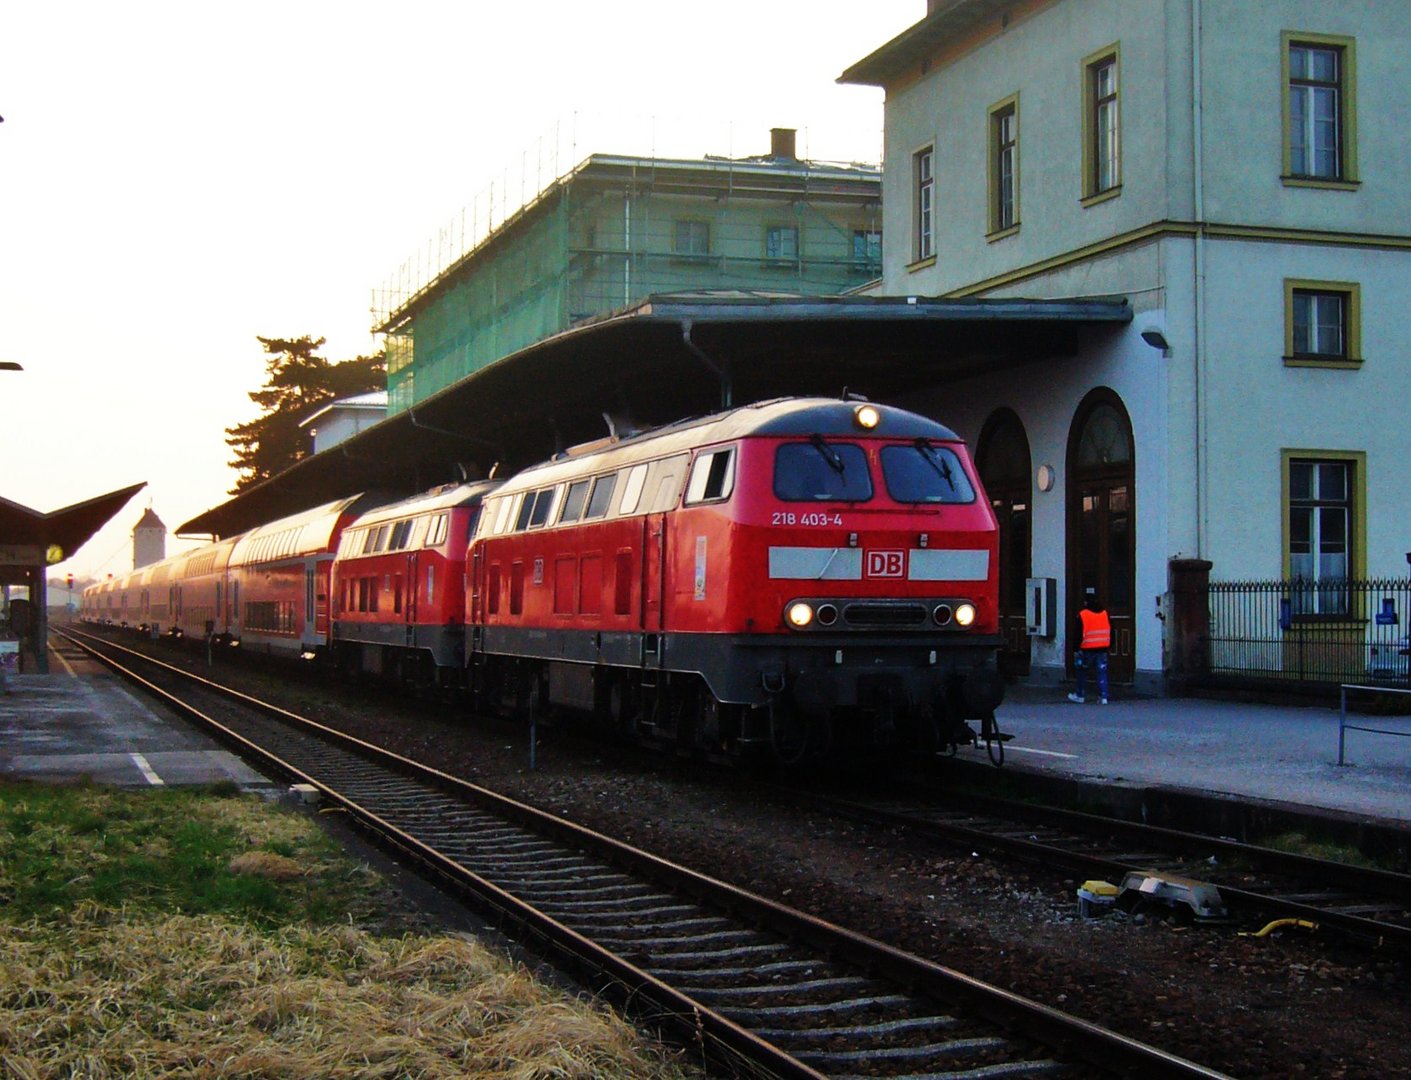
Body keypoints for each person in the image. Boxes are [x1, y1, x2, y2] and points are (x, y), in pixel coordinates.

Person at [1068, 591, 1110, 705]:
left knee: (1082, 672)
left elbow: (1078, 634)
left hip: (1087, 648)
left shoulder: (1083, 614)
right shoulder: (1105, 613)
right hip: (1102, 648)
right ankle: (1104, 696)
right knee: (1102, 672)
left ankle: (1080, 695)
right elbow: (1111, 630)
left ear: (1086, 602)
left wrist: (1075, 649)